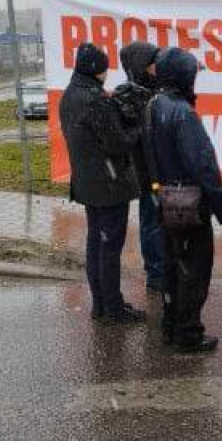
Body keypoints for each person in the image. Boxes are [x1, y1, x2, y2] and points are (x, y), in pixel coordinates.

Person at [145, 47, 222, 353]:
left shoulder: (154, 104)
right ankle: (188, 332)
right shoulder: (182, 112)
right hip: (189, 202)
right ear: (183, 76)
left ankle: (171, 325)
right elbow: (203, 163)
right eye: (192, 74)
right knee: (193, 269)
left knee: (173, 266)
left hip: (166, 198)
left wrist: (157, 189)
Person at [59, 42, 145, 324]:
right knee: (108, 248)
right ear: (97, 70)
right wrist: (137, 128)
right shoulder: (95, 99)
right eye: (105, 67)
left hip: (87, 181)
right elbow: (117, 143)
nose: (108, 72)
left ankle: (100, 304)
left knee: (96, 244)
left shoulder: (70, 95)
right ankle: (113, 307)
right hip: (108, 185)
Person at [113, 41, 166, 294]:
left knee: (161, 220)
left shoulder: (157, 89)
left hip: (160, 164)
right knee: (151, 220)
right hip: (146, 168)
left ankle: (163, 268)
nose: (158, 67)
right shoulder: (129, 94)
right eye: (153, 64)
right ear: (142, 66)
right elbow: (134, 134)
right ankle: (155, 273)